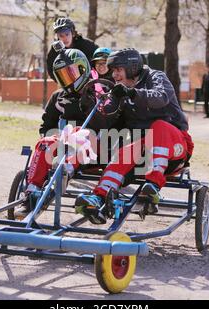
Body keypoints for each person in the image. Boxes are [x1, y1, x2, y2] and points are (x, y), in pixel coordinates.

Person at [74, 48, 193, 224]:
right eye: (112, 71)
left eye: (117, 70)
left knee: (158, 127)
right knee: (125, 152)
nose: (114, 75)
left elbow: (161, 97)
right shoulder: (120, 91)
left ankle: (152, 186)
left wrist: (133, 93)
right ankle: (98, 199)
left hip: (175, 147)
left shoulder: (155, 77)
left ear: (131, 67)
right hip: (144, 152)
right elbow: (105, 121)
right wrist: (89, 103)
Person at [23, 48, 109, 214]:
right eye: (62, 75)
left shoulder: (100, 93)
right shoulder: (58, 97)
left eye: (70, 73)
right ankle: (31, 194)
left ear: (83, 69)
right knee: (43, 143)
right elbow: (47, 125)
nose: (67, 79)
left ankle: (61, 176)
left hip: (92, 151)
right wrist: (52, 142)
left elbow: (105, 125)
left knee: (81, 135)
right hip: (65, 146)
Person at [46, 17, 98, 82]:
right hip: (69, 84)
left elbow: (99, 58)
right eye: (61, 36)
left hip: (90, 81)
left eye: (67, 34)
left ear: (73, 33)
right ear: (57, 37)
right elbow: (51, 70)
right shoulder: (55, 50)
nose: (65, 38)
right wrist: (63, 82)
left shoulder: (86, 44)